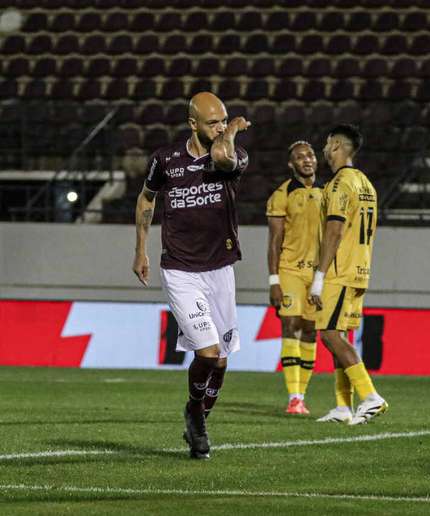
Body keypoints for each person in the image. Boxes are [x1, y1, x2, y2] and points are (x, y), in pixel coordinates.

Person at [132, 92, 250, 459]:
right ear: (192, 123)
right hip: (181, 270)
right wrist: (140, 249)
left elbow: (221, 158)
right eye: (212, 122)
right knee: (210, 353)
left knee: (224, 361)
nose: (219, 127)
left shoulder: (234, 154)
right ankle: (196, 413)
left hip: (220, 268)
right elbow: (147, 197)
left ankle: (197, 415)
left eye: (223, 119)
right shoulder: (165, 160)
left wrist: (228, 133)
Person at [309, 124, 388, 425]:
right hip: (360, 268)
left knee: (329, 334)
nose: (325, 149)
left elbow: (335, 229)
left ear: (339, 145)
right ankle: (343, 406)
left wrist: (319, 275)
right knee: (338, 335)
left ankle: (371, 397)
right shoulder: (365, 183)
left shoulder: (340, 183)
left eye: (328, 144)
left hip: (339, 271)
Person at [266, 141, 323, 415]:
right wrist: (273, 280)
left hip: (319, 273)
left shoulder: (330, 192)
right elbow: (274, 241)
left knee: (311, 330)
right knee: (290, 324)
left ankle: (303, 395)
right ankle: (294, 397)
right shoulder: (281, 194)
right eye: (300, 157)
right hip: (290, 269)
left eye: (310, 155)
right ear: (292, 164)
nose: (307, 160)